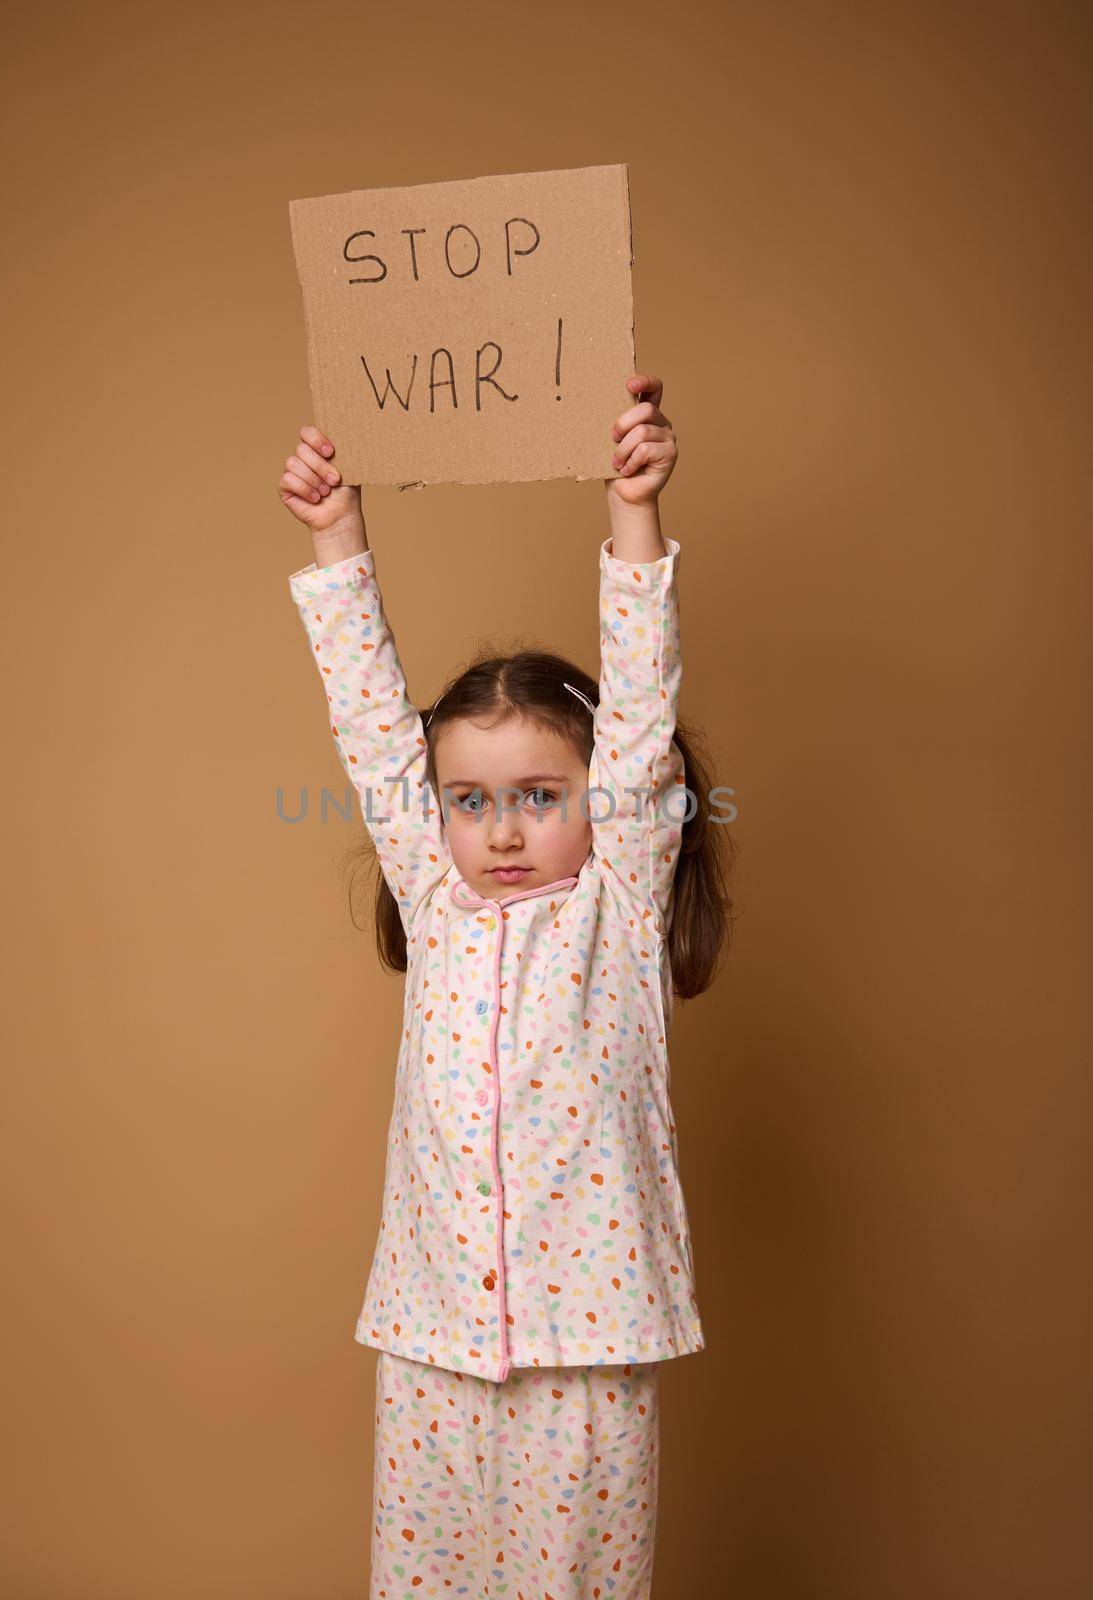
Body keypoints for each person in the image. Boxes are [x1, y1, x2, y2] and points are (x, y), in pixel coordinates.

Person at [278, 374, 734, 1596]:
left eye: (540, 795)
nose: (502, 830)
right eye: (469, 802)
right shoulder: (435, 898)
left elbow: (638, 713)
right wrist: (336, 529)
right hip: (430, 1335)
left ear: (596, 803)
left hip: (587, 1339)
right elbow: (372, 723)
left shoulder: (617, 899)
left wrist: (630, 506)